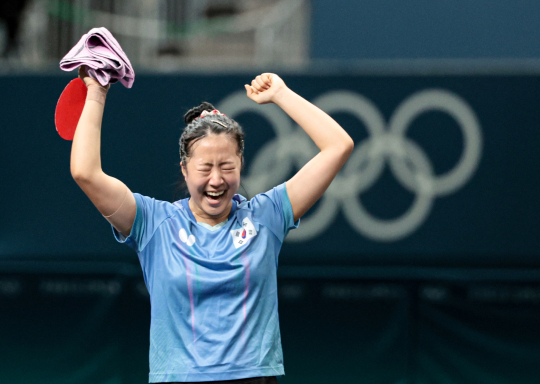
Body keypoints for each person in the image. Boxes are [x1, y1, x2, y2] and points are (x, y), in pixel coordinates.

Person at [70, 68, 354, 383]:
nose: (216, 180)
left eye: (227, 167)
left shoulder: (267, 217)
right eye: (205, 168)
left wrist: (281, 94)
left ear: (241, 166)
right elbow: (86, 173)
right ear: (185, 169)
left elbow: (338, 146)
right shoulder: (153, 224)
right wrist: (96, 92)